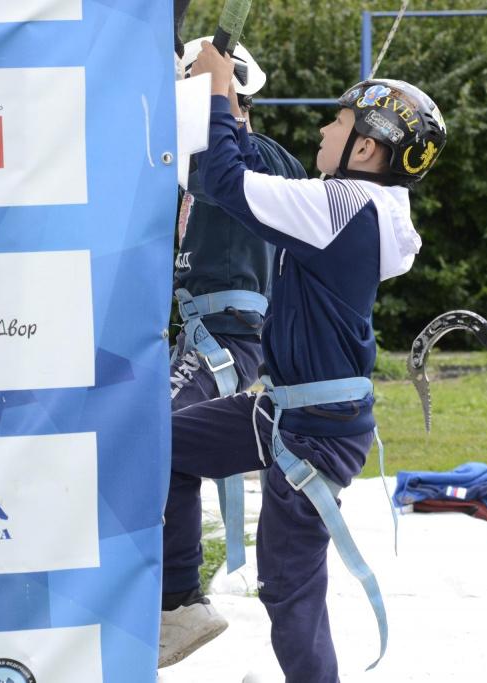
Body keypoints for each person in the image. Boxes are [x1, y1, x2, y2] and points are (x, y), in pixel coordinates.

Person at [159, 41, 447, 681]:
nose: (323, 127)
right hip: (290, 410)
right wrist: (224, 109)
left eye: (339, 121)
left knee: (291, 590)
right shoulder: (354, 207)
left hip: (314, 428)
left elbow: (229, 185)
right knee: (166, 443)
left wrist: (214, 93)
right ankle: (178, 601)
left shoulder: (344, 207)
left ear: (367, 149)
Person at [162, 35, 308, 668]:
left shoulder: (255, 158)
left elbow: (239, 164)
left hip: (227, 339)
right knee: (140, 440)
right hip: (201, 334)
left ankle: (178, 599)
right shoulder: (189, 159)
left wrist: (214, 95)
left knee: (159, 440)